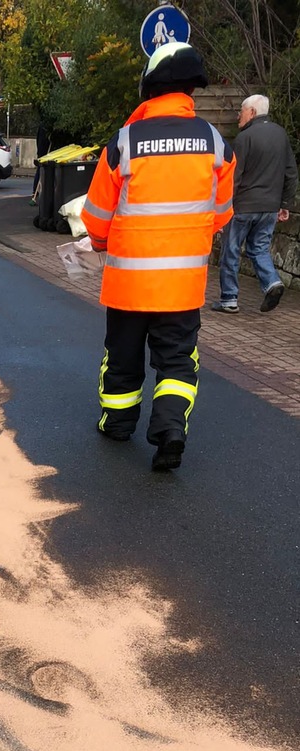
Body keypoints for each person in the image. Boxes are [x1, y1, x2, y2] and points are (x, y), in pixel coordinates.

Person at [81, 42, 235, 471]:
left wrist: (97, 243)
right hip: (183, 286)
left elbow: (96, 214)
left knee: (123, 356)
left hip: (129, 283)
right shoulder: (215, 142)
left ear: (149, 87)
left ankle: (117, 423)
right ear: (190, 88)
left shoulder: (125, 141)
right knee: (177, 361)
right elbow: (221, 212)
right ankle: (169, 431)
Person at [212, 94, 298, 314]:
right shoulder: (281, 135)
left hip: (243, 206)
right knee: (259, 248)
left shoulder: (244, 138)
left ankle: (229, 299)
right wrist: (285, 203)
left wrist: (223, 208)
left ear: (251, 112)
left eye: (241, 110)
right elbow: (290, 172)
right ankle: (272, 282)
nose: (238, 115)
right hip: (270, 207)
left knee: (230, 251)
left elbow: (234, 177)